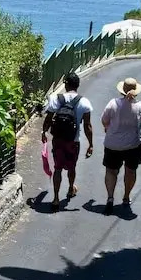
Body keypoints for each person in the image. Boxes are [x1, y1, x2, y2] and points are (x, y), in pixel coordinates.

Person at [100, 77, 141, 214]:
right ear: (136, 91)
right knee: (130, 171)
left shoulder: (113, 103)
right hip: (133, 146)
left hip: (113, 144)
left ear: (122, 90)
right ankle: (126, 198)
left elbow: (104, 120)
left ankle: (110, 198)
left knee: (111, 171)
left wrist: (109, 128)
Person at [41, 71, 93, 212]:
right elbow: (87, 126)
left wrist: (44, 132)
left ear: (66, 85)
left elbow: (48, 118)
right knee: (72, 167)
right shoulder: (84, 102)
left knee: (57, 168)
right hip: (73, 141)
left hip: (58, 140)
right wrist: (91, 144)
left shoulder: (56, 99)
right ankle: (70, 188)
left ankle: (56, 199)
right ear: (77, 85)